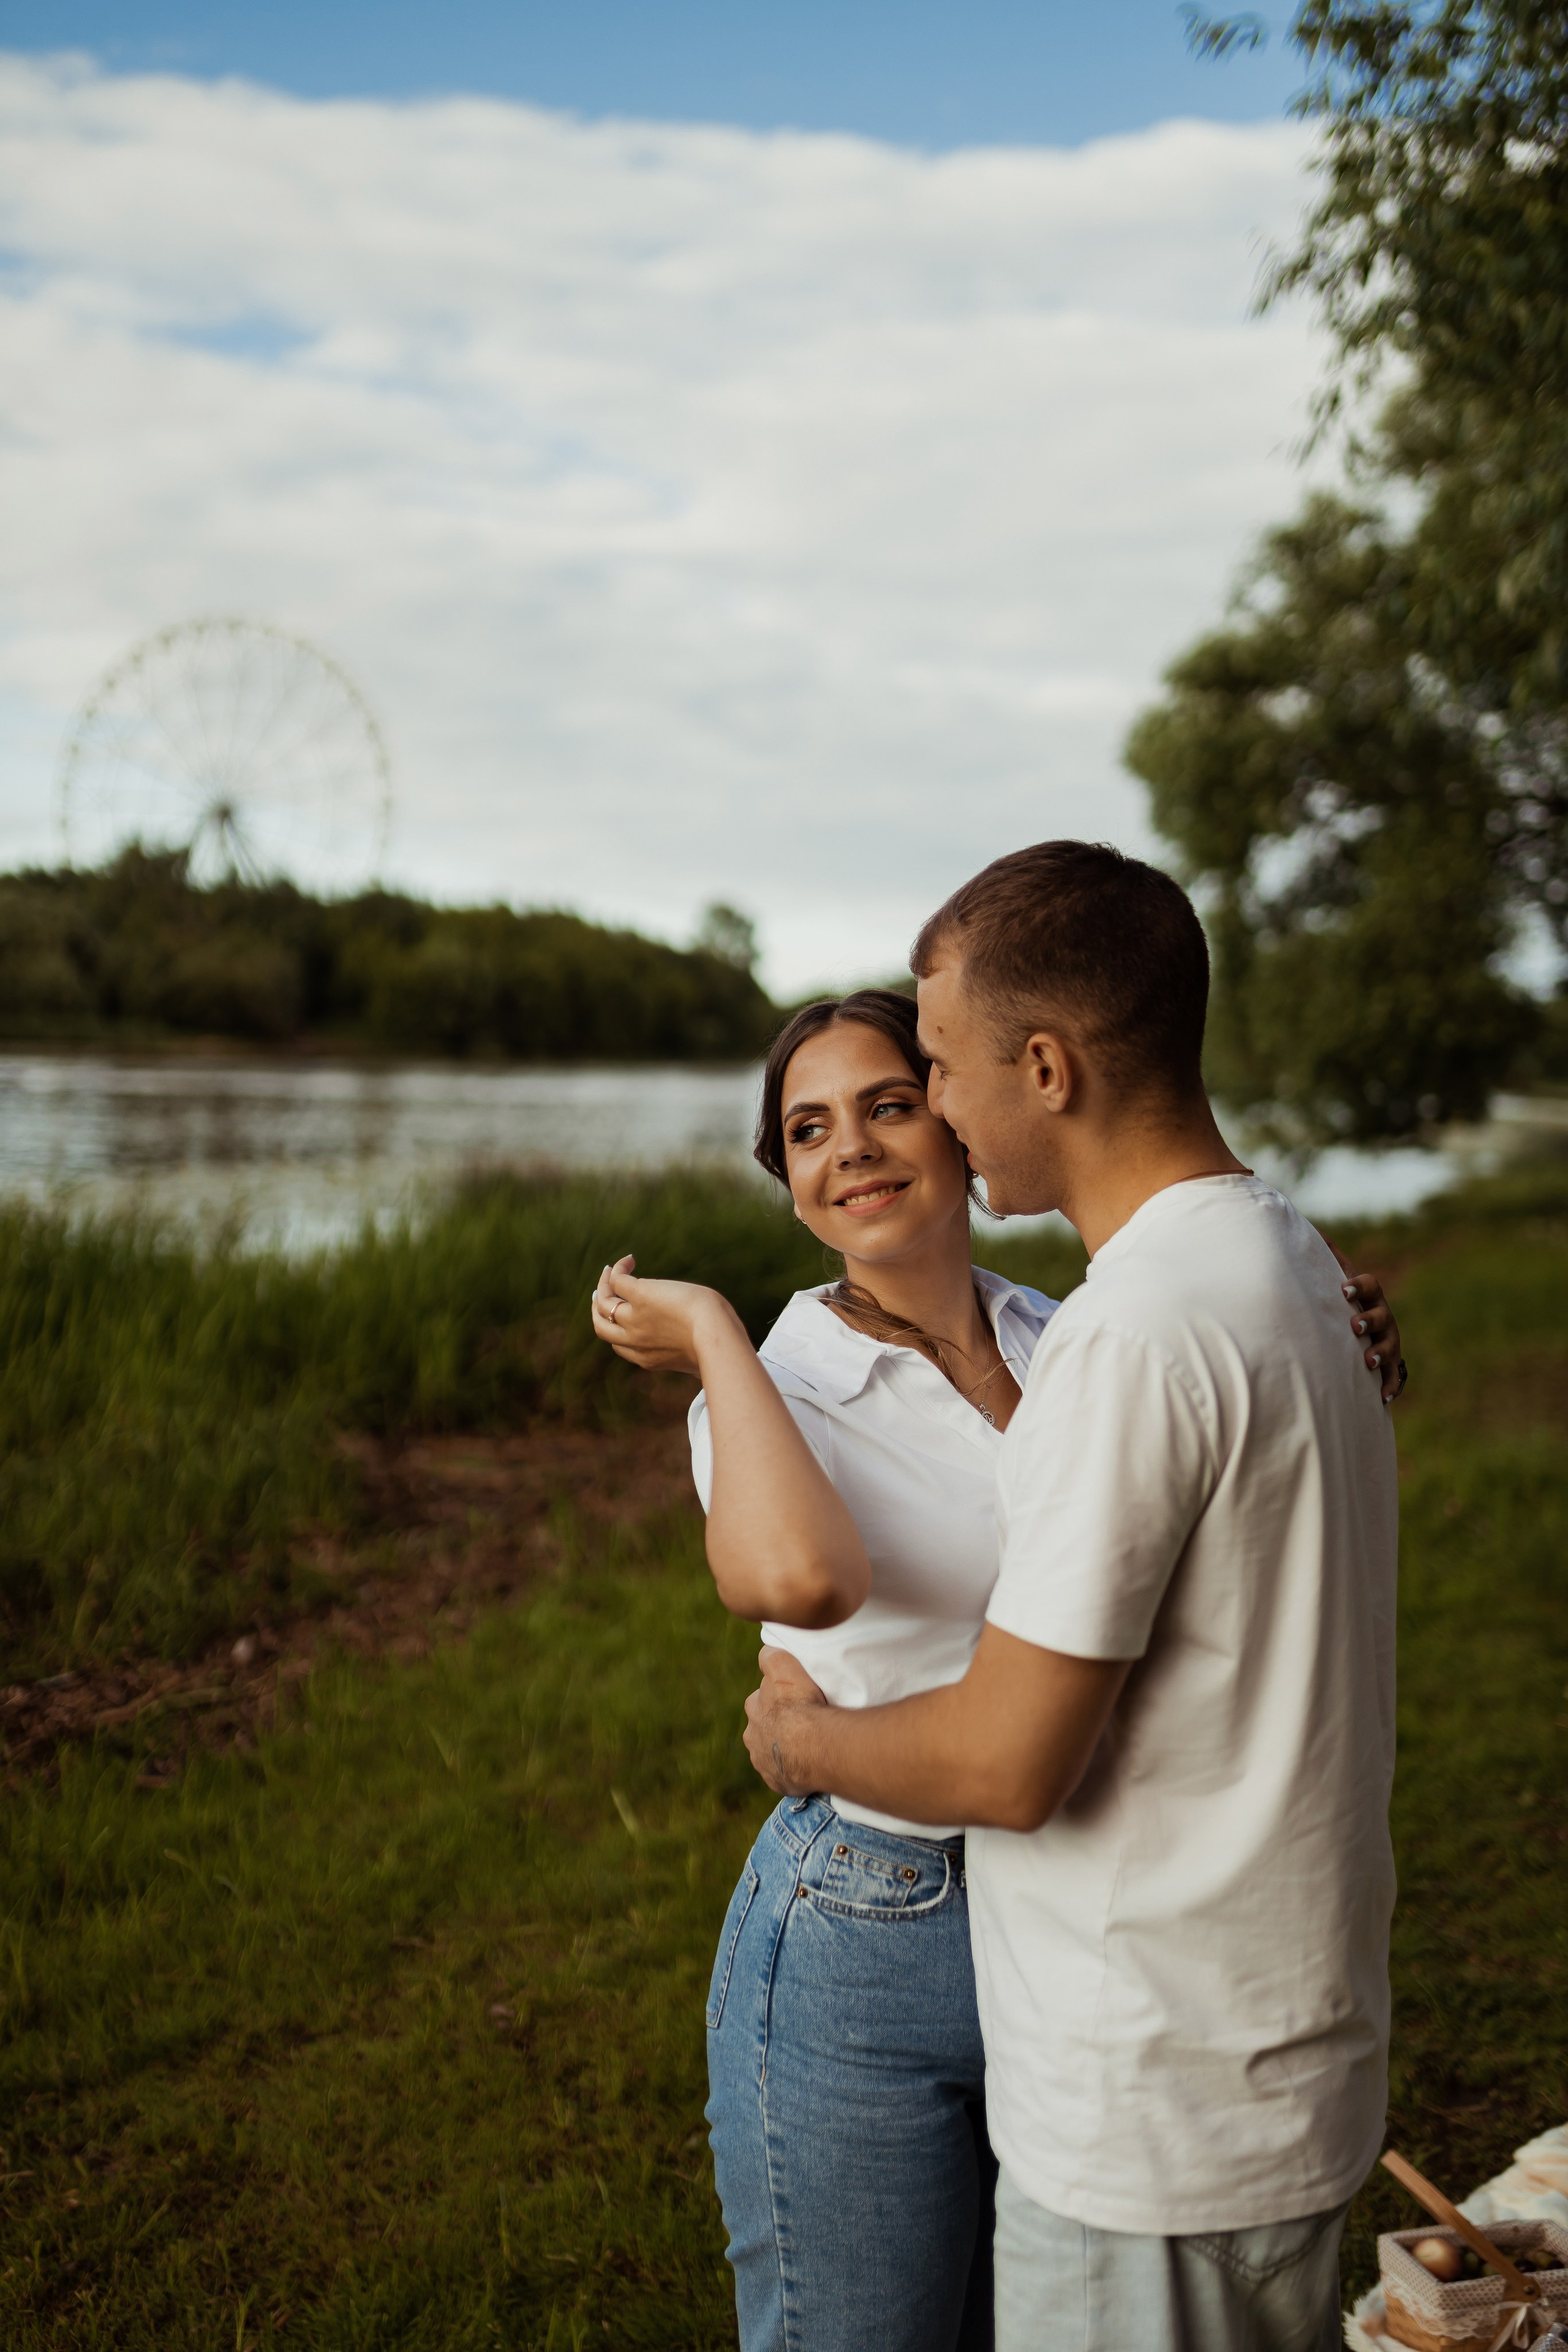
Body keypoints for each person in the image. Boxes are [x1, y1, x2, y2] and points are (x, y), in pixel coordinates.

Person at [590, 926, 1402, 2352]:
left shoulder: (1073, 1335)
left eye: (890, 1101)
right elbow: (804, 1580)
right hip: (867, 1924)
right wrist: (714, 1339)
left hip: (1081, 1914)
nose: (851, 1146)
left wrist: (1322, 1350)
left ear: (959, 1120)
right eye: (805, 1131)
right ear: (785, 1187)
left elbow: (1183, 1524)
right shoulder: (778, 1387)